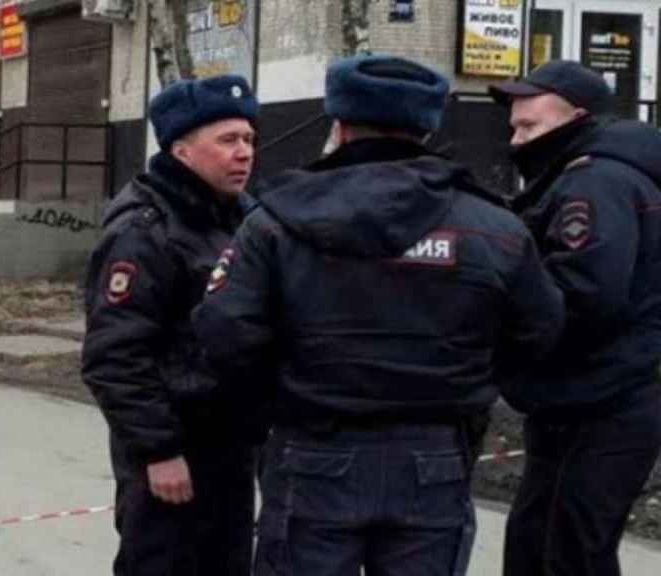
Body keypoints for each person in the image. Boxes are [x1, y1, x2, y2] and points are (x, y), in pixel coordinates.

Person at [192, 55, 565, 576]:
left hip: (313, 449)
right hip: (434, 456)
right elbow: (540, 327)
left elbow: (224, 331)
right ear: (427, 129)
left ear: (339, 126)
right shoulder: (493, 225)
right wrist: (469, 382)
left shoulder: (275, 222)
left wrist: (278, 399)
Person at [81, 74, 259, 576]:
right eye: (227, 140)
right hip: (172, 450)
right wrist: (158, 451)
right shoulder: (144, 232)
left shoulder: (243, 221)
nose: (244, 152)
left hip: (231, 446)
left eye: (248, 139)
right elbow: (114, 356)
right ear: (182, 151)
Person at [489, 59, 661, 576]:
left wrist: (507, 333)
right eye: (514, 127)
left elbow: (585, 294)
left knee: (563, 553)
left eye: (530, 126)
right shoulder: (591, 175)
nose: (517, 140)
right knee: (542, 544)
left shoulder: (594, 184)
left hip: (600, 401)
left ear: (576, 118)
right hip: (587, 399)